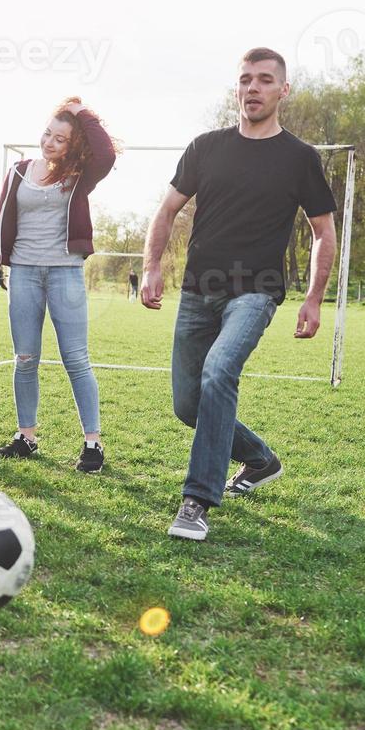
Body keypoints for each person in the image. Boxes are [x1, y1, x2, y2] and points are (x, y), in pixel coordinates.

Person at [141, 47, 337, 542]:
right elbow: (166, 211)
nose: (253, 88)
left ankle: (196, 501)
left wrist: (314, 298)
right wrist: (151, 267)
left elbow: (322, 233)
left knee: (218, 372)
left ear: (282, 90)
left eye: (265, 80)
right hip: (197, 291)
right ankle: (259, 458)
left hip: (256, 292)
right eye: (246, 79)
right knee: (189, 405)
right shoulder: (206, 147)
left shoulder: (299, 159)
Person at [0, 99, 117, 473]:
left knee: (76, 359)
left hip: (64, 273)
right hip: (23, 272)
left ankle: (93, 444)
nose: (50, 142)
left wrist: (83, 111)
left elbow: (105, 153)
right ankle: (26, 436)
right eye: (47, 133)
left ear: (73, 145)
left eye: (60, 138)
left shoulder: (79, 174)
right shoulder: (19, 171)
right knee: (25, 358)